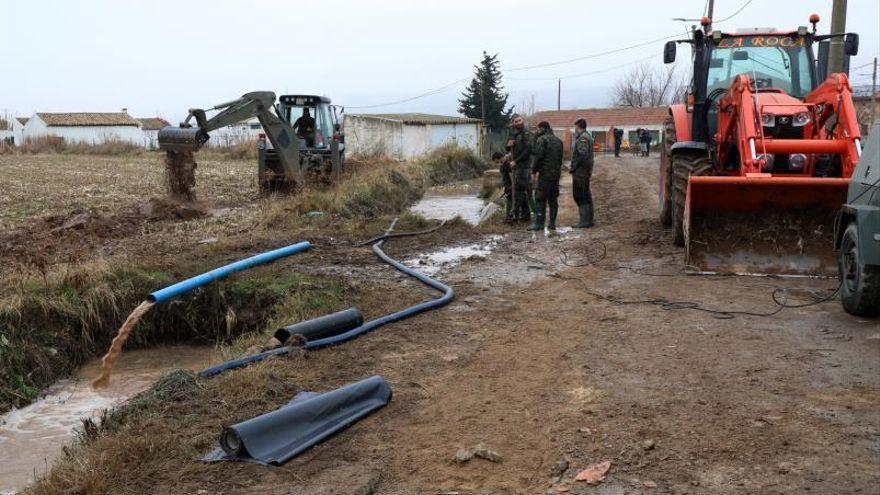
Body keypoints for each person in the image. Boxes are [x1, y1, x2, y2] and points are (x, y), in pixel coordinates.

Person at [529, 121, 564, 231]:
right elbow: (560, 158)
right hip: (556, 174)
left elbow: (538, 157)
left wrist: (534, 171)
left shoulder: (542, 140)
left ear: (542, 129)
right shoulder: (559, 141)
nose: (537, 132)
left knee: (540, 198)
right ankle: (552, 224)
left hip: (545, 174)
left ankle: (539, 224)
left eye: (538, 129)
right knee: (553, 199)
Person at [505, 114, 534, 223]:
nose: (518, 122)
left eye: (519, 120)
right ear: (513, 123)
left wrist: (515, 161)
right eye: (516, 121)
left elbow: (528, 150)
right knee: (520, 191)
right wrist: (509, 145)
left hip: (524, 166)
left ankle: (513, 215)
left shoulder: (527, 133)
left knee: (519, 191)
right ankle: (525, 215)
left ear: (523, 120)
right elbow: (507, 148)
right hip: (516, 167)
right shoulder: (513, 133)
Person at [570, 118, 595, 228]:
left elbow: (582, 155)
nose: (574, 130)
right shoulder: (586, 136)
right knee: (586, 194)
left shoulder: (583, 138)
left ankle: (584, 221)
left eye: (575, 127)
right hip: (585, 171)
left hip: (581, 171)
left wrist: (574, 167)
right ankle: (589, 219)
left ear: (579, 127)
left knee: (580, 195)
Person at [492, 151, 514, 222]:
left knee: (510, 201)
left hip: (510, 185)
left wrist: (512, 185)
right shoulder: (503, 164)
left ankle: (510, 217)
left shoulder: (507, 164)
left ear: (500, 157)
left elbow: (511, 175)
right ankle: (509, 217)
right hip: (507, 185)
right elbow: (504, 177)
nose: (497, 163)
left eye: (497, 161)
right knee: (509, 200)